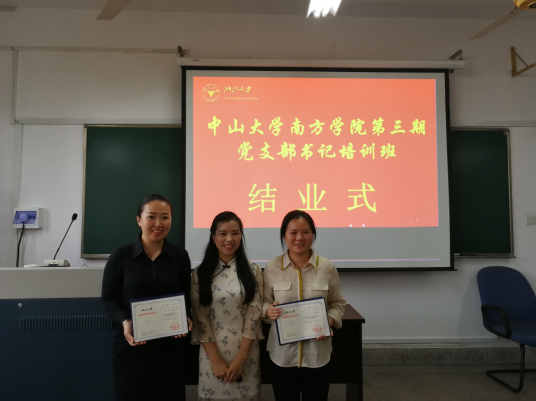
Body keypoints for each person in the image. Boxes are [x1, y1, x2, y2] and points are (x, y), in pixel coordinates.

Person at [101, 194, 192, 401]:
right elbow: (108, 299)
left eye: (165, 217)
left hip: (170, 350)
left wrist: (185, 317)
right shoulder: (121, 256)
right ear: (139, 220)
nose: (158, 224)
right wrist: (125, 321)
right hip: (132, 349)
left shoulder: (180, 256)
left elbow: (186, 296)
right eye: (151, 217)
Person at [263, 210, 346, 401]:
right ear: (284, 236)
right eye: (293, 232)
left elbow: (338, 303)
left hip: (317, 354)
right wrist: (268, 310)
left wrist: (328, 322)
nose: (299, 237)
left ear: (313, 235)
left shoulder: (326, 267)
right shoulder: (272, 267)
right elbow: (263, 302)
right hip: (282, 355)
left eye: (306, 232)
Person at [191, 211, 264, 401]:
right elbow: (200, 317)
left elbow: (254, 316)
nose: (229, 239)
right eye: (223, 233)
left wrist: (241, 359)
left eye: (235, 233)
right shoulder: (200, 273)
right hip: (211, 355)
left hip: (246, 353)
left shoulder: (253, 270)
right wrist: (215, 361)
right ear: (213, 237)